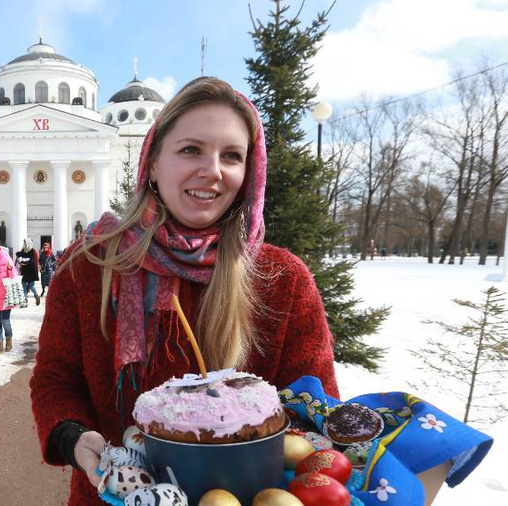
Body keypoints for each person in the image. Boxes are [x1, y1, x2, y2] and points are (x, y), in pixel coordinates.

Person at [29, 77, 339, 505]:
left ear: (249, 171)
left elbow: (312, 402)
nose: (212, 170)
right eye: (191, 149)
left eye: (231, 155)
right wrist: (74, 436)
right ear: (153, 163)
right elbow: (55, 380)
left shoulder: (281, 279)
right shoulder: (90, 268)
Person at [15, 238, 41, 306]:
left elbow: (32, 261)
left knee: (31, 286)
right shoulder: (23, 250)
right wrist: (19, 258)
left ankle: (37, 296)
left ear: (28, 244)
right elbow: (18, 254)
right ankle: (25, 301)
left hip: (31, 272)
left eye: (25, 243)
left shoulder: (32, 251)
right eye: (24, 243)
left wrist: (24, 263)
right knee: (23, 285)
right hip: (25, 271)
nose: (24, 245)